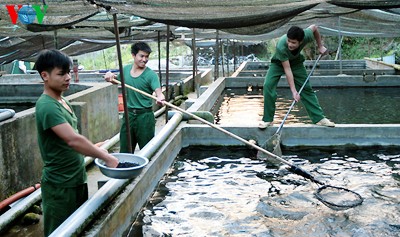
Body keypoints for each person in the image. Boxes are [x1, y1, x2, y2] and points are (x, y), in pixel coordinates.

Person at [34, 49, 119, 236]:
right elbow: (73, 140)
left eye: (69, 72)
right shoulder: (47, 105)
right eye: (61, 73)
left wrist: (93, 148)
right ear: (44, 76)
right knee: (60, 231)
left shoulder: (62, 100)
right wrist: (106, 157)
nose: (68, 77)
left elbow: (70, 138)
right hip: (60, 186)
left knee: (78, 228)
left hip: (76, 178)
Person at [259, 25, 335, 129]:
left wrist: (320, 46)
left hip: (295, 63)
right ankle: (267, 120)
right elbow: (287, 69)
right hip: (278, 63)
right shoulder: (281, 45)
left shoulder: (306, 35)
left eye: (293, 42)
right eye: (289, 41)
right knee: (268, 85)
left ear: (301, 41)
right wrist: (294, 91)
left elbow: (314, 27)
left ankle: (319, 118)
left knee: (306, 89)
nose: (290, 44)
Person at [104, 42, 165, 153]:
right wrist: (109, 76)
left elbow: (159, 92)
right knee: (125, 151)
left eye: (147, 57)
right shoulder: (125, 70)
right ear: (133, 55)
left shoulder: (151, 75)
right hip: (128, 116)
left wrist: (160, 98)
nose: (144, 59)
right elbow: (115, 80)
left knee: (148, 151)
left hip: (145, 117)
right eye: (141, 56)